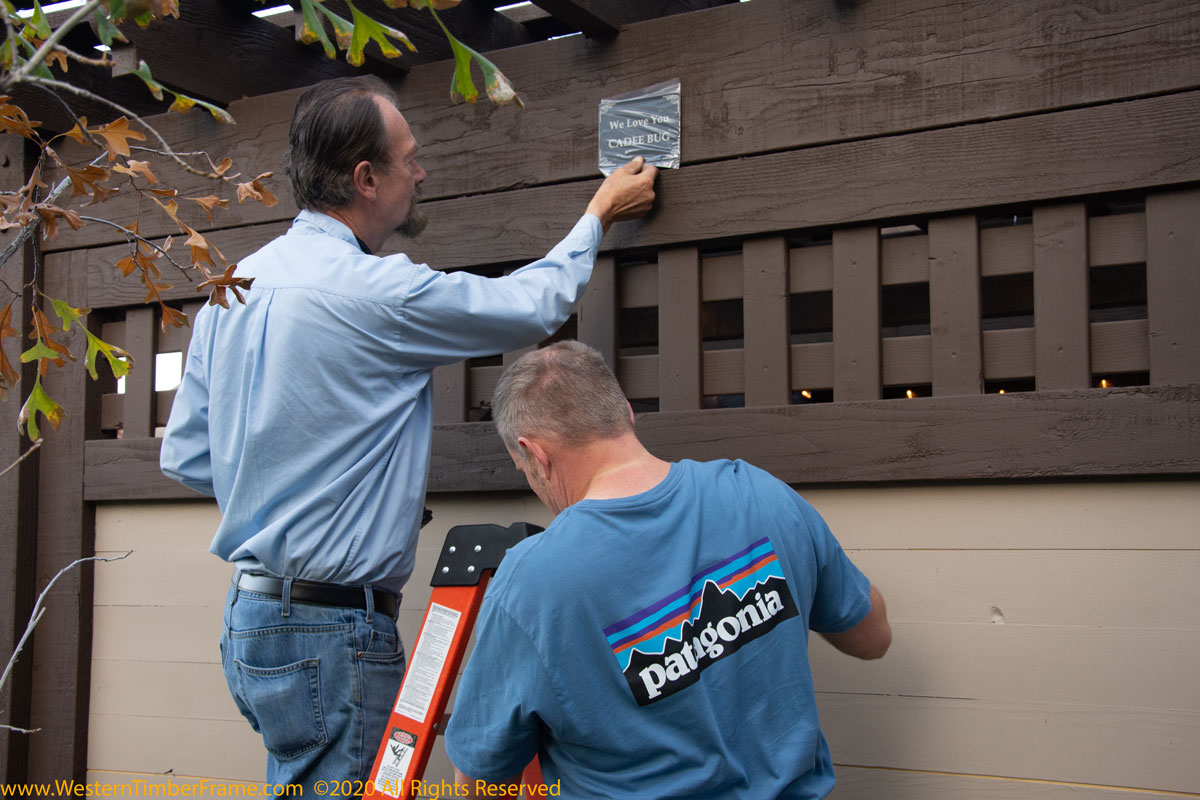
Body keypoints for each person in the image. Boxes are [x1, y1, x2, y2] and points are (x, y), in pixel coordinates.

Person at [159, 76, 657, 790]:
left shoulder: (235, 286)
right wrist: (600, 214)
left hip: (253, 619)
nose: (419, 173)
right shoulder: (372, 291)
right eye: (409, 159)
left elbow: (187, 458)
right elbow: (529, 304)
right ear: (366, 177)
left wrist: (289, 485)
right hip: (330, 633)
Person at [444, 341, 891, 798]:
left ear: (534, 454)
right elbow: (873, 638)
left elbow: (481, 781)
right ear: (627, 416)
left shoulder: (532, 582)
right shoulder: (759, 491)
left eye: (524, 468)